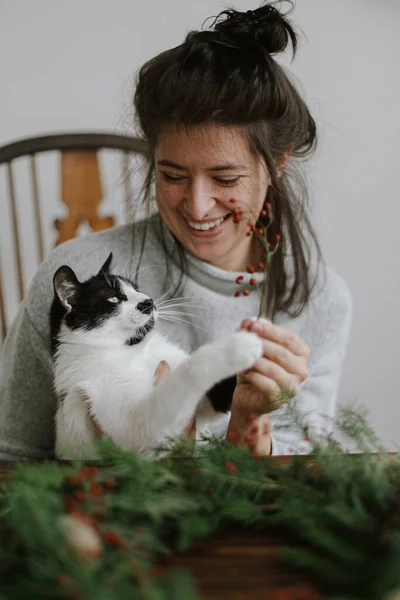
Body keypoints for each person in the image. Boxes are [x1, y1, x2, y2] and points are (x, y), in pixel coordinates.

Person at [0, 2, 352, 460]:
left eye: (225, 179)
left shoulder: (320, 300)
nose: (198, 205)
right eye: (172, 175)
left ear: (276, 167)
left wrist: (250, 420)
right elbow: (11, 457)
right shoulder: (84, 276)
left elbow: (298, 492)